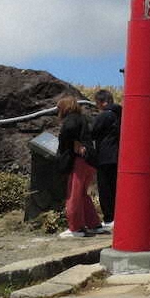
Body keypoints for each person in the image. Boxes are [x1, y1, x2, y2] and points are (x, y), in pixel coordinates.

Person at [55, 94, 101, 238]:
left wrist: (64, 149)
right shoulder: (82, 118)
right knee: (82, 194)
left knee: (73, 194)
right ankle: (94, 224)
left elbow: (66, 138)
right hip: (89, 161)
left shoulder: (70, 120)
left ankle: (76, 228)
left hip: (78, 161)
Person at [90, 89, 122, 231]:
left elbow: (92, 132)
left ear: (103, 102)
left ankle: (109, 219)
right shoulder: (120, 114)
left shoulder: (104, 116)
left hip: (105, 157)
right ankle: (119, 217)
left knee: (105, 189)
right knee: (116, 188)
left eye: (97, 103)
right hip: (118, 156)